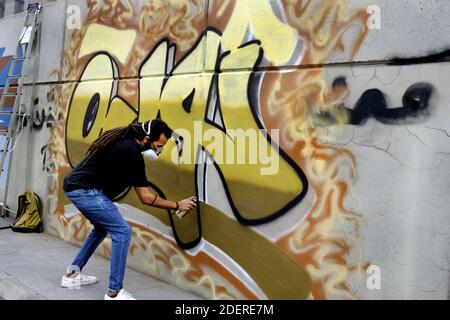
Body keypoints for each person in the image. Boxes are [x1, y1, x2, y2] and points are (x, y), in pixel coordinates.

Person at [60, 119, 197, 300]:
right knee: (123, 231)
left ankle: (72, 274)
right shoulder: (131, 153)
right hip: (84, 191)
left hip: (76, 186)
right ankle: (114, 292)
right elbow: (146, 197)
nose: (159, 150)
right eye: (159, 145)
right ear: (147, 139)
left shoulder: (123, 142)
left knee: (102, 228)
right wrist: (177, 205)